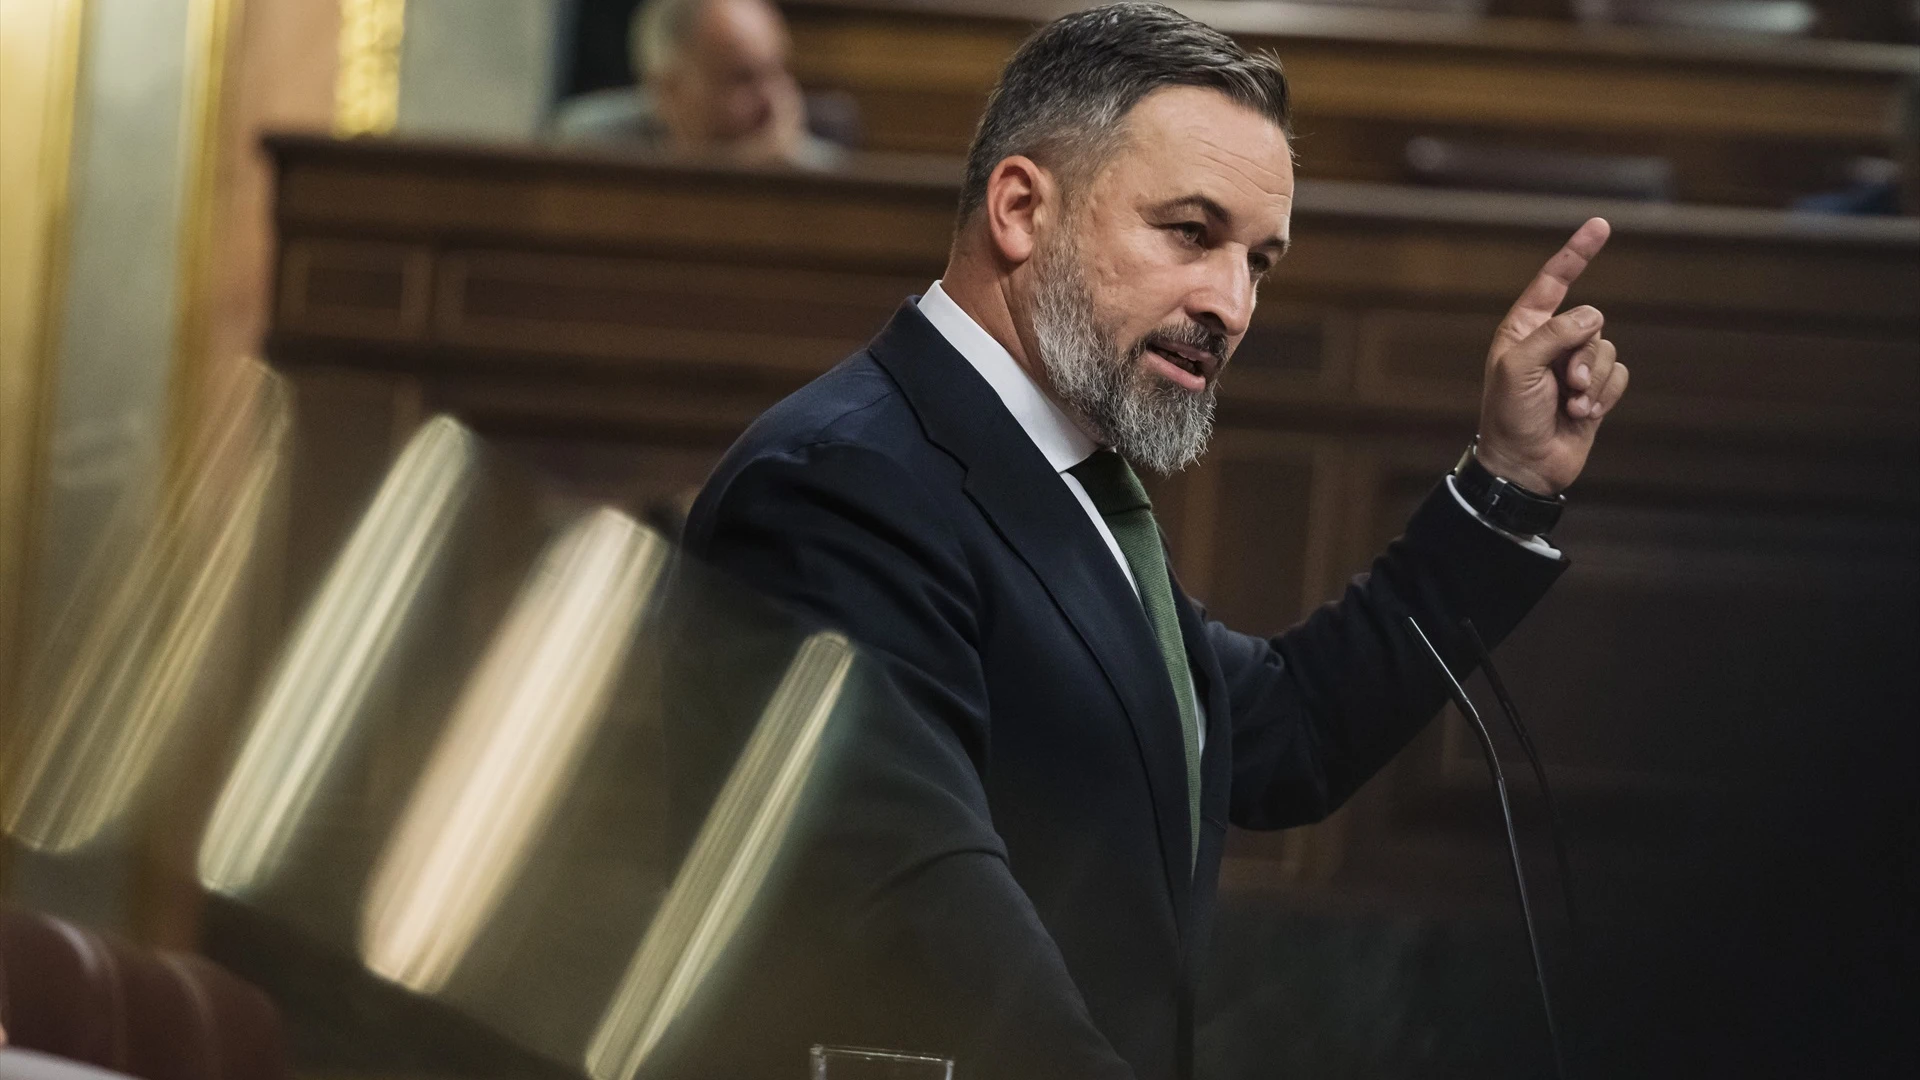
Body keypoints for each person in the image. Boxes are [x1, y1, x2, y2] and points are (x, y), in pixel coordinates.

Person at [679, 3, 1627, 1076]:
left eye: (1260, 262)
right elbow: (933, 940)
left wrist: (1505, 486)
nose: (1230, 303)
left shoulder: (1049, 475)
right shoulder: (842, 487)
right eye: (1191, 232)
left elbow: (1278, 734)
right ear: (1023, 207)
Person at [550, 0, 847, 169]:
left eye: (778, 73)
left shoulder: (819, 174)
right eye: (742, 78)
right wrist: (741, 169)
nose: (772, 99)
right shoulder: (585, 149)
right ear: (668, 89)